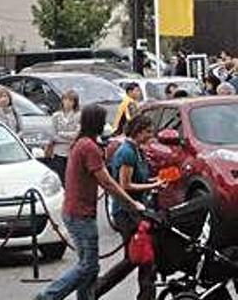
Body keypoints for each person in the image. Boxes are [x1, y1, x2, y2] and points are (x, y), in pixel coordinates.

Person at [35, 105, 146, 300]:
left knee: (88, 266)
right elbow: (107, 182)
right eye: (103, 121)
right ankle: (49, 296)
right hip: (80, 213)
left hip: (77, 211)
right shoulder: (88, 147)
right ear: (96, 123)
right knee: (88, 265)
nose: (105, 125)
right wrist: (131, 203)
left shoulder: (82, 144)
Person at [95, 115, 165, 300]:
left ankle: (145, 295)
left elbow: (139, 179)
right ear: (139, 131)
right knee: (137, 257)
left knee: (142, 257)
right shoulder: (126, 152)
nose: (151, 135)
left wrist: (155, 181)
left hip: (136, 210)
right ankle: (96, 289)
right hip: (126, 212)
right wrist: (153, 186)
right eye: (148, 131)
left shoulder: (137, 151)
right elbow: (125, 185)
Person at [49, 90, 80, 184]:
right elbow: (53, 135)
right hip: (58, 151)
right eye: (65, 99)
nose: (67, 102)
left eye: (71, 100)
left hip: (72, 151)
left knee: (72, 178)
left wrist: (61, 133)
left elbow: (77, 134)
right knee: (60, 176)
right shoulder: (56, 116)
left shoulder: (79, 115)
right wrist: (67, 137)